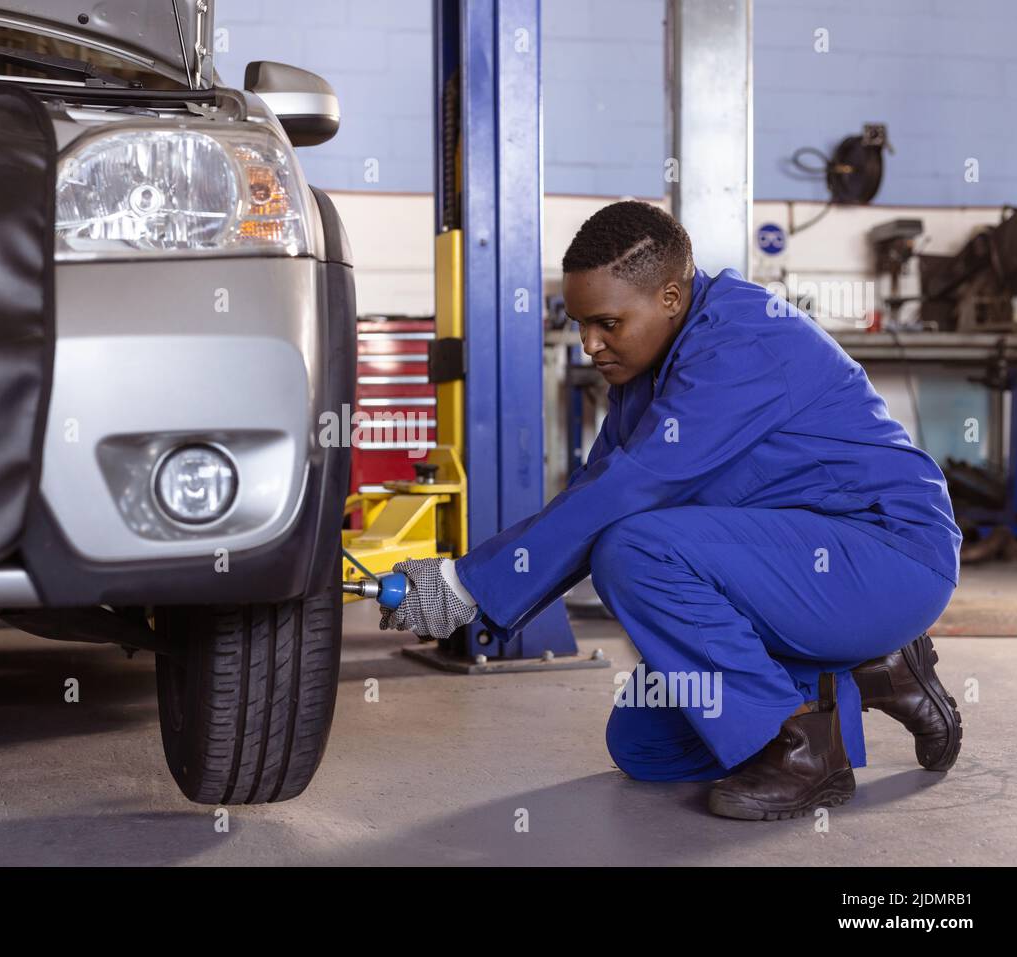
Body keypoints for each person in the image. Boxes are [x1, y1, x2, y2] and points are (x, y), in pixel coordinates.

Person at [379, 200, 963, 821]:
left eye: (606, 323)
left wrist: (467, 585)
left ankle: (806, 749)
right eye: (580, 325)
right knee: (647, 747)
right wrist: (472, 586)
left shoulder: (743, 344)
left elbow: (628, 491)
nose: (589, 345)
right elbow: (591, 497)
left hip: (888, 557)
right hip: (803, 573)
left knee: (635, 549)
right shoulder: (646, 376)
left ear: (670, 296)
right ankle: (875, 669)